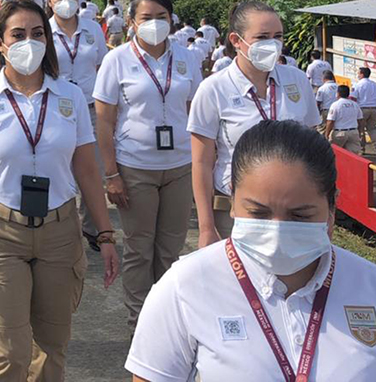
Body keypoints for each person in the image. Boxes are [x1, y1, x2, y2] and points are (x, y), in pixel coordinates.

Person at [126, 120, 376, 382]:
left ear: (333, 206)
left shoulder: (367, 284)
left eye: (300, 216)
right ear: (232, 200)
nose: (277, 233)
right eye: (259, 213)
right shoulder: (185, 286)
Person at [0, 0, 120, 381]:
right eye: (18, 35)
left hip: (60, 234)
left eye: (37, 34)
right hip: (2, 235)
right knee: (7, 353)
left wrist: (106, 233)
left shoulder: (70, 97)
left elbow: (86, 171)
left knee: (51, 349)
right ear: (0, 43)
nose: (28, 42)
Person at [93, 0, 201, 330]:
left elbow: (195, 112)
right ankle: (139, 323)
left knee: (171, 251)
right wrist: (111, 174)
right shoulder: (117, 60)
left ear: (172, 20)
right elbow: (105, 122)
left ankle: (168, 322)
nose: (155, 24)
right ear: (131, 22)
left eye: (162, 17)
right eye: (146, 18)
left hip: (180, 167)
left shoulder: (187, 59)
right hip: (135, 166)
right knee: (140, 250)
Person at [188, 1, 321, 247]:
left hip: (295, 213)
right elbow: (201, 163)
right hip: (238, 214)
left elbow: (314, 147)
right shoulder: (214, 89)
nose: (272, 44)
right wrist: (206, 228)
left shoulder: (298, 81)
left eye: (277, 36)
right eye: (262, 37)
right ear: (236, 41)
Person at [47, 0, 109, 250]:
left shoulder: (93, 29)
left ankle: (92, 228)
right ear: (50, 2)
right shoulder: (43, 32)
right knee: (58, 167)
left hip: (89, 107)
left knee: (91, 168)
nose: (66, 2)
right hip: (55, 109)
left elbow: (101, 66)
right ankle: (61, 225)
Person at [325, 85, 365, 154]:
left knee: (335, 154)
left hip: (339, 133)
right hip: (353, 132)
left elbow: (330, 121)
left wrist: (327, 134)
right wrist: (360, 131)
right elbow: (360, 120)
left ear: (338, 93)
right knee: (353, 155)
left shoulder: (335, 105)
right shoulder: (355, 104)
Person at [351, 66, 376, 153]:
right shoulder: (374, 84)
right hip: (374, 109)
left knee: (360, 129)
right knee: (372, 129)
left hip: (362, 110)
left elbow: (353, 98)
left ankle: (362, 149)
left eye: (358, 73)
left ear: (362, 74)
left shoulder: (357, 85)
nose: (357, 75)